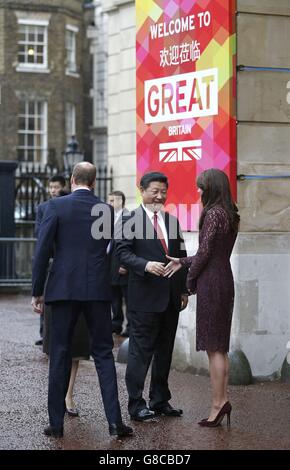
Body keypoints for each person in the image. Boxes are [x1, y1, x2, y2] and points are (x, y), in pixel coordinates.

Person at [31, 162, 132, 438]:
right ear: (95, 182)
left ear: (73, 179)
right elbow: (107, 250)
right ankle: (114, 422)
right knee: (103, 354)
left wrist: (37, 290)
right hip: (97, 289)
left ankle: (56, 423)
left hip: (63, 288)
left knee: (60, 353)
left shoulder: (56, 206)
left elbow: (42, 251)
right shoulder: (106, 210)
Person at [165, 168, 240, 429]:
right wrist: (183, 261)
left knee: (214, 348)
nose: (197, 191)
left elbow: (205, 252)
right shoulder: (230, 213)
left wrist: (189, 279)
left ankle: (218, 404)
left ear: (210, 188)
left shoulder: (212, 214)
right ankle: (222, 400)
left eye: (200, 187)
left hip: (212, 282)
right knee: (220, 346)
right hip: (224, 279)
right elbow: (212, 253)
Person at [116, 171, 188, 421]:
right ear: (142, 190)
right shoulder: (129, 220)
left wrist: (183, 289)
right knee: (140, 352)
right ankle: (136, 405)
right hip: (144, 298)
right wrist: (145, 265)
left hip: (170, 298)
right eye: (155, 191)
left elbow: (181, 255)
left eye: (163, 192)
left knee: (165, 351)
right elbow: (122, 253)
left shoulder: (172, 221)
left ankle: (160, 400)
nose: (159, 196)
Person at [34, 175, 66, 346]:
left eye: (56, 187)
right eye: (51, 187)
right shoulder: (43, 207)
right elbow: (38, 232)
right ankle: (44, 332)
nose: (53, 190)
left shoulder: (66, 204)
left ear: (63, 187)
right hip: (50, 257)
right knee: (45, 297)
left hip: (63, 256)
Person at [107, 191, 130, 336]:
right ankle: (116, 324)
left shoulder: (128, 218)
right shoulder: (106, 218)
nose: (109, 203)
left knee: (127, 297)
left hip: (122, 265)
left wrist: (125, 264)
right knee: (113, 297)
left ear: (120, 201)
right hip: (109, 265)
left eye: (112, 201)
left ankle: (130, 326)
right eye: (108, 200)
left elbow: (129, 244)